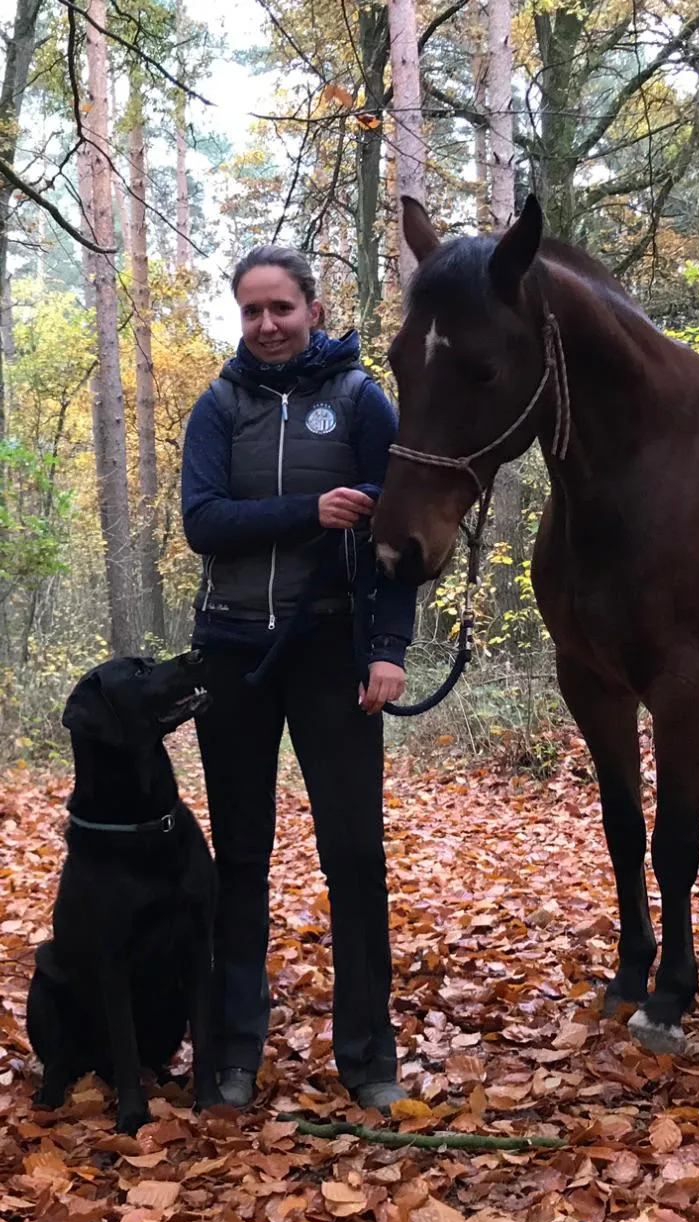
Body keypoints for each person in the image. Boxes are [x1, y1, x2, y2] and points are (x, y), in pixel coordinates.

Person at [181, 246, 417, 1113]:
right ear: (239, 318)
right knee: (239, 857)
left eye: (282, 307)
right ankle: (234, 1052)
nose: (268, 325)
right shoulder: (218, 406)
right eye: (252, 311)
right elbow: (201, 522)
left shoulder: (361, 402)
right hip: (233, 651)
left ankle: (368, 1057)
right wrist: (308, 512)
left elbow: (401, 536)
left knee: (354, 854)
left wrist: (388, 646)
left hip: (332, 652)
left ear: (314, 308)